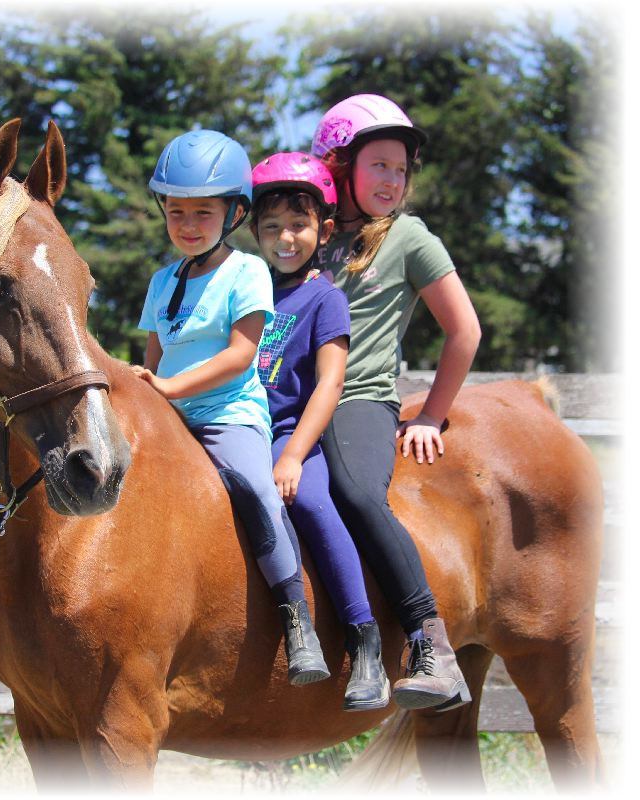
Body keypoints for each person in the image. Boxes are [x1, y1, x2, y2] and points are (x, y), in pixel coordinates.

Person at [133, 130, 328, 685]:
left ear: (235, 212)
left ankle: (297, 620)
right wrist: (151, 390)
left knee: (259, 489)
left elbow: (243, 356)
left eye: (202, 212)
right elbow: (156, 353)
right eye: (176, 212)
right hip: (169, 414)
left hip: (226, 414)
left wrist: (170, 390)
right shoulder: (160, 280)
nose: (188, 224)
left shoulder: (247, 272)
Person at [310, 93, 482, 711]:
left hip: (359, 397)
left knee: (356, 493)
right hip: (292, 399)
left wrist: (432, 413)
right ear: (339, 165)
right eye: (379, 164)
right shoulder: (308, 234)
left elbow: (465, 331)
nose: (392, 179)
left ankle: (429, 641)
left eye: (400, 169)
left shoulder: (409, 237)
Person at [249, 152, 388, 711]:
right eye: (272, 227)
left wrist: (294, 456)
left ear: (324, 229)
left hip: (288, 429)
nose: (286, 238)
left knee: (308, 500)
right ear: (254, 232)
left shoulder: (324, 297)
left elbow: (329, 384)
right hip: (241, 425)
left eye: (299, 225)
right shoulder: (250, 288)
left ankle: (363, 637)